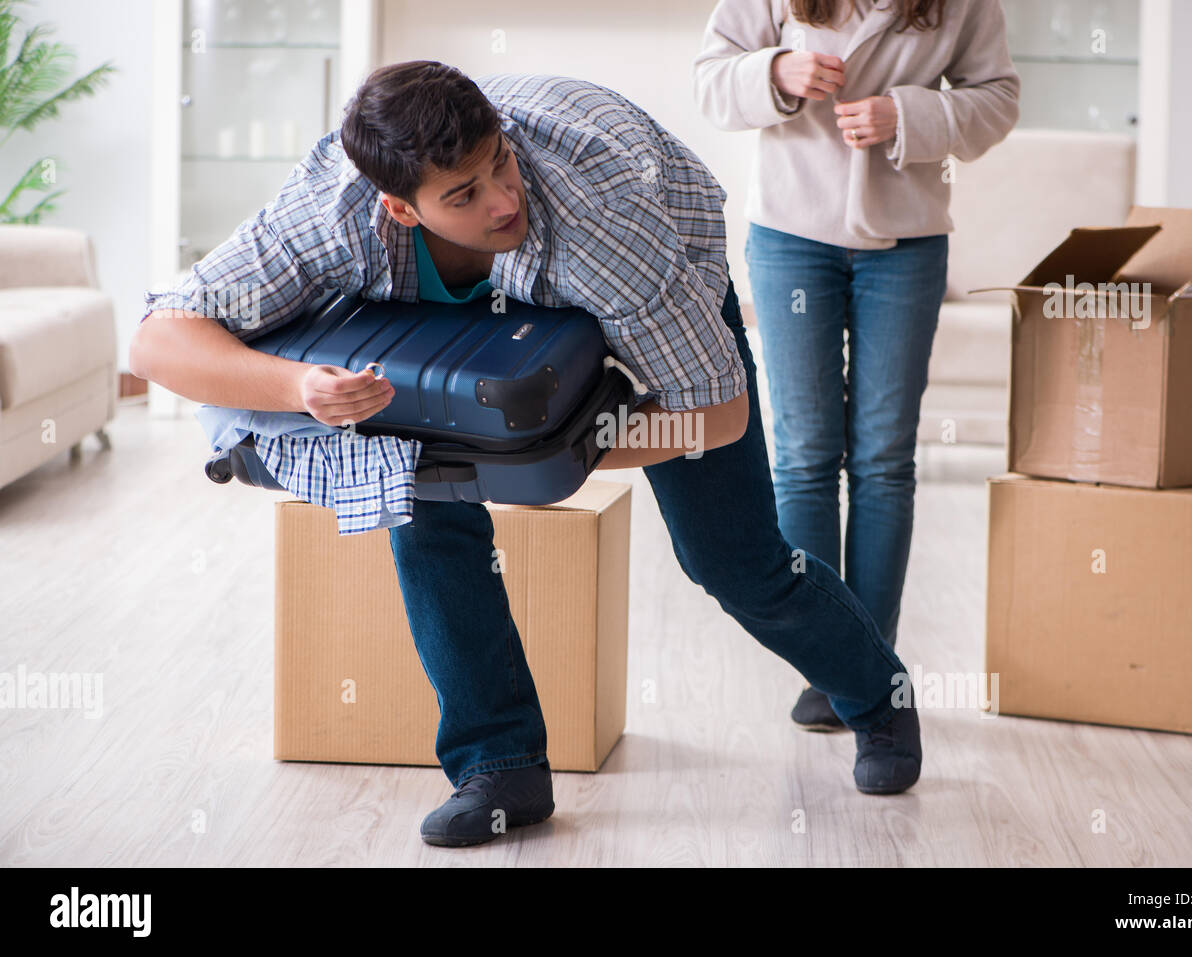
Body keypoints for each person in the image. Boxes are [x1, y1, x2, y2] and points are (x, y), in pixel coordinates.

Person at [131, 63, 923, 849]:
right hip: (462, 302)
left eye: (499, 164)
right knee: (422, 503)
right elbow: (158, 339)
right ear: (399, 209)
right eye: (464, 195)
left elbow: (714, 419)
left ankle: (878, 700)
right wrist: (300, 384)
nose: (503, 200)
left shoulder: (605, 223)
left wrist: (538, 455)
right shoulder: (327, 213)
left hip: (657, 270)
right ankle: (500, 767)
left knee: (732, 558)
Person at [694, 0, 1018, 729]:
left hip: (906, 243)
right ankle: (828, 661)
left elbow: (998, 97)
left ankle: (872, 671)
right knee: (806, 452)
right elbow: (709, 79)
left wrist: (909, 117)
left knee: (884, 457)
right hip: (790, 236)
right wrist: (775, 70)